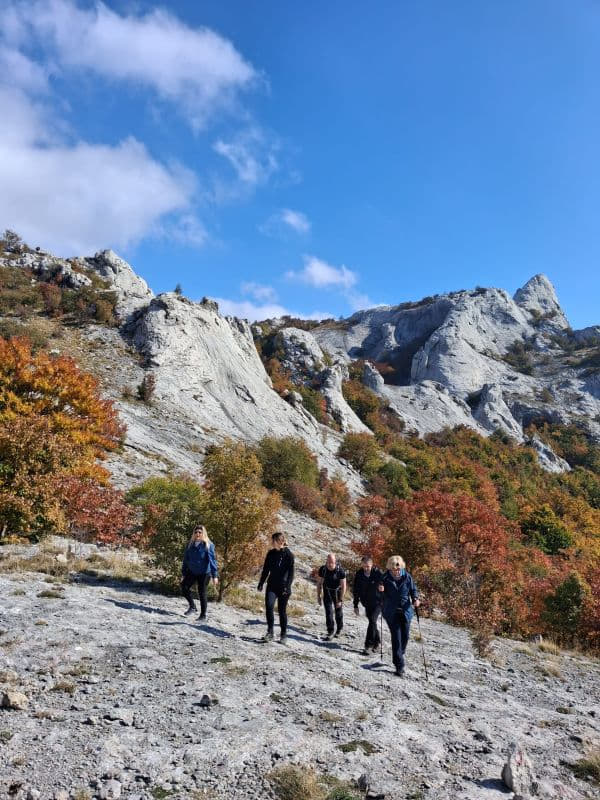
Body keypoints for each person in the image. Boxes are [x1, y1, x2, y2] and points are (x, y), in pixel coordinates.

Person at [378, 555, 420, 676]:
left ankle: (400, 654)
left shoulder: (407, 576)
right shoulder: (385, 577)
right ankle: (399, 665)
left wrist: (415, 599)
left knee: (405, 636)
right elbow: (379, 594)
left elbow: (413, 590)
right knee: (396, 637)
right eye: (393, 568)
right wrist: (380, 590)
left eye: (398, 568)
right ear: (390, 567)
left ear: (401, 566)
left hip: (406, 611)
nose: (396, 570)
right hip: (391, 612)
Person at [257, 532, 295, 644]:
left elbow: (291, 574)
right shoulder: (271, 553)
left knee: (282, 611)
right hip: (272, 585)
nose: (271, 542)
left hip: (284, 588)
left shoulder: (289, 555)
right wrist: (261, 582)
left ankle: (283, 634)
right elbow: (266, 570)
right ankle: (270, 632)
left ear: (279, 541)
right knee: (269, 606)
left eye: (273, 540)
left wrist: (287, 587)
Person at [181, 524, 219, 621]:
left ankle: (203, 615)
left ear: (203, 533)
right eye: (196, 532)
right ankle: (192, 606)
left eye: (200, 532)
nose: (197, 534)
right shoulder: (190, 544)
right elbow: (186, 560)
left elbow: (212, 561)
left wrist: (215, 576)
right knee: (184, 587)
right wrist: (183, 573)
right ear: (194, 533)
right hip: (192, 571)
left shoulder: (208, 545)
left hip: (204, 573)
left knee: (202, 592)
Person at [353, 555, 383, 655]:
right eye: (364, 566)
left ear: (372, 565)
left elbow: (387, 584)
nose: (366, 568)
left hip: (378, 602)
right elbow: (356, 590)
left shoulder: (378, 573)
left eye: (368, 566)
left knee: (373, 620)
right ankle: (377, 642)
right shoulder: (359, 574)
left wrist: (383, 588)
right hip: (366, 603)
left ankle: (368, 645)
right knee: (372, 622)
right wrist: (355, 605)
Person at [317, 553, 347, 641]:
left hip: (337, 592)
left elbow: (344, 586)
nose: (330, 564)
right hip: (327, 592)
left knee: (338, 613)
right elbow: (319, 583)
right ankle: (330, 631)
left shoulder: (340, 571)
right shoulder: (323, 569)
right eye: (328, 562)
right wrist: (318, 596)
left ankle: (339, 629)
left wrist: (340, 599)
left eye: (332, 562)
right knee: (329, 613)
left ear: (335, 562)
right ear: (326, 561)